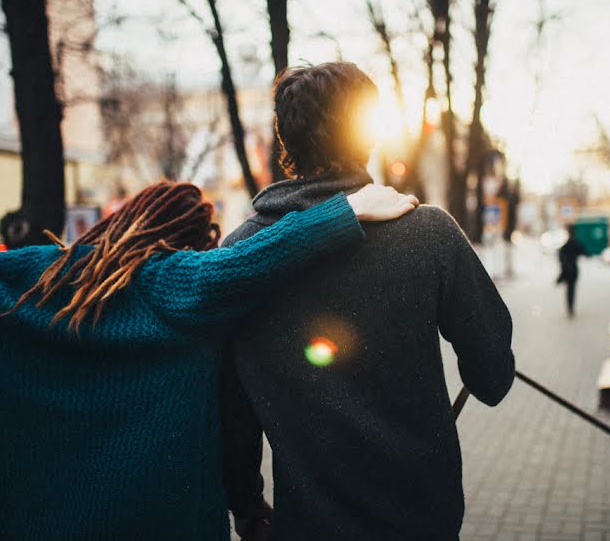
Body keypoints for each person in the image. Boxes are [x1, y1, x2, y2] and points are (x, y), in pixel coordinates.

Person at [0, 179, 416, 540]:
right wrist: (347, 209)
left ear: (122, 221)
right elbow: (259, 257)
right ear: (187, 244)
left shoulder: (1, 282)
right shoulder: (178, 286)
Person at [219, 62, 515, 541]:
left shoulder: (240, 257)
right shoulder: (429, 234)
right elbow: (493, 379)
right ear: (368, 134)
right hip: (424, 519)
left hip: (307, 525)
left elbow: (231, 410)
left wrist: (246, 503)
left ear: (284, 139)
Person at [556, 224, 589, 317]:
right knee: (572, 289)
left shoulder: (566, 245)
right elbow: (586, 252)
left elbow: (560, 255)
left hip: (567, 270)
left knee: (569, 290)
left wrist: (563, 264)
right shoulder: (576, 243)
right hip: (573, 270)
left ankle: (570, 308)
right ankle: (571, 308)